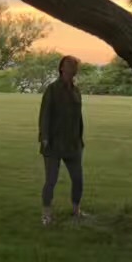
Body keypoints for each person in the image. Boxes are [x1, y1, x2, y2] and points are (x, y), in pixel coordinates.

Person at [38, 55, 86, 225]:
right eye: (70, 65)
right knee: (51, 180)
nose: (73, 68)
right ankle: (46, 213)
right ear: (62, 68)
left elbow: (78, 117)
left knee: (78, 179)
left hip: (73, 144)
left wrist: (80, 139)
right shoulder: (52, 90)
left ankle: (76, 209)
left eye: (75, 65)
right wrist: (44, 137)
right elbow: (45, 114)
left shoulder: (76, 91)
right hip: (53, 144)